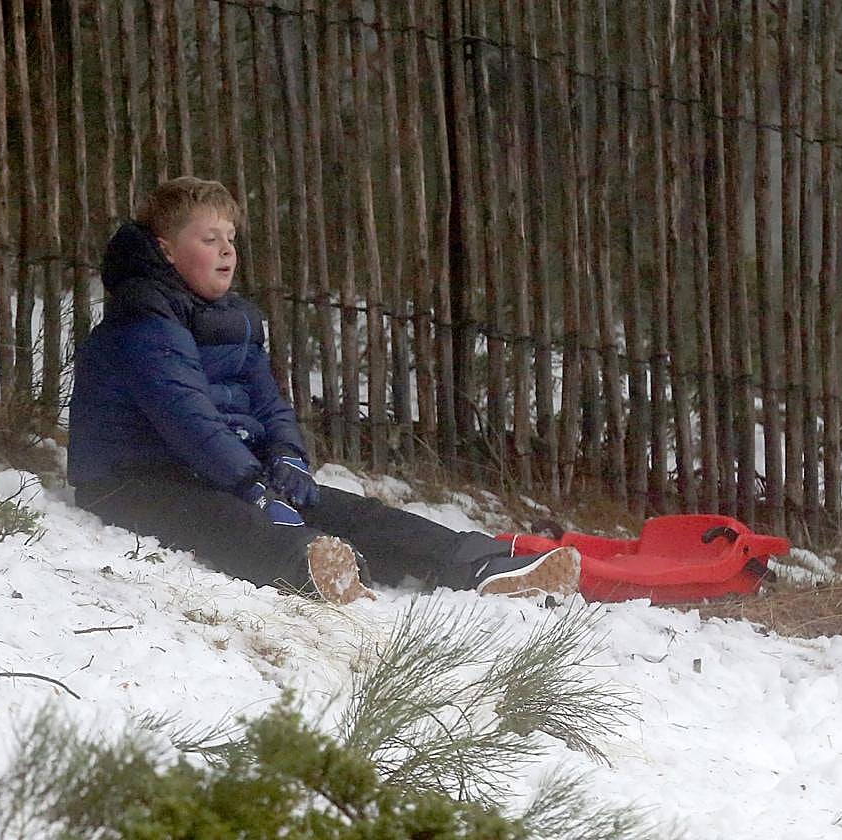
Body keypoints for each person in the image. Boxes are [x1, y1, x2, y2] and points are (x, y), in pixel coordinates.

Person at [68, 176, 580, 604]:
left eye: (231, 238)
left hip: (220, 470)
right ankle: (313, 566)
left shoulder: (234, 321)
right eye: (209, 239)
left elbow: (268, 402)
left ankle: (481, 564)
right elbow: (187, 418)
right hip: (135, 479)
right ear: (166, 250)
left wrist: (286, 457)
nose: (227, 251)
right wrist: (251, 485)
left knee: (352, 511)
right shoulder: (141, 319)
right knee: (231, 521)